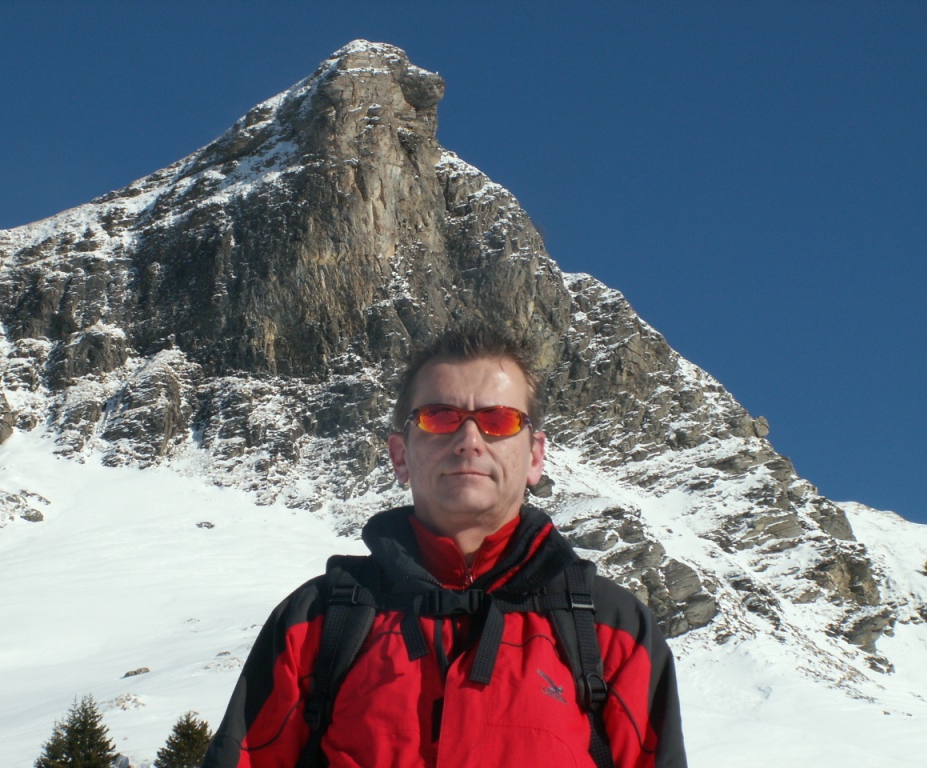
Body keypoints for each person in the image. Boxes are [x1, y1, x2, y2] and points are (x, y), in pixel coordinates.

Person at [201, 324, 688, 768]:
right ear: (400, 455)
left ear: (535, 457)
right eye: (440, 416)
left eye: (498, 420)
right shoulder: (317, 621)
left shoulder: (611, 630)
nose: (469, 439)